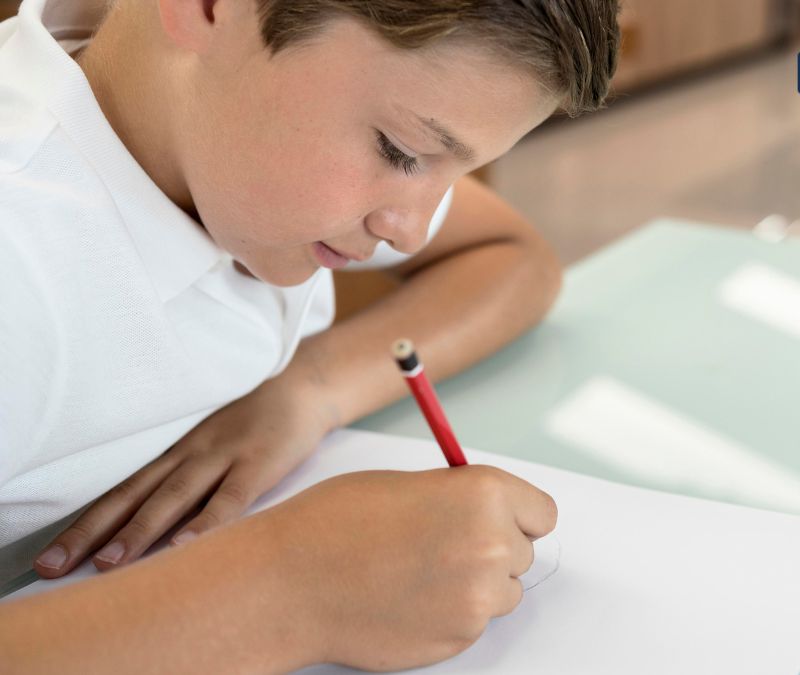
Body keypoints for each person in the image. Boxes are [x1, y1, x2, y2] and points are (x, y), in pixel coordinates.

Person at [0, 0, 619, 670]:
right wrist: (289, 589)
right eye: (402, 151)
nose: (409, 228)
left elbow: (512, 256)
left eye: (453, 172)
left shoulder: (210, 127)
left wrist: (311, 388)